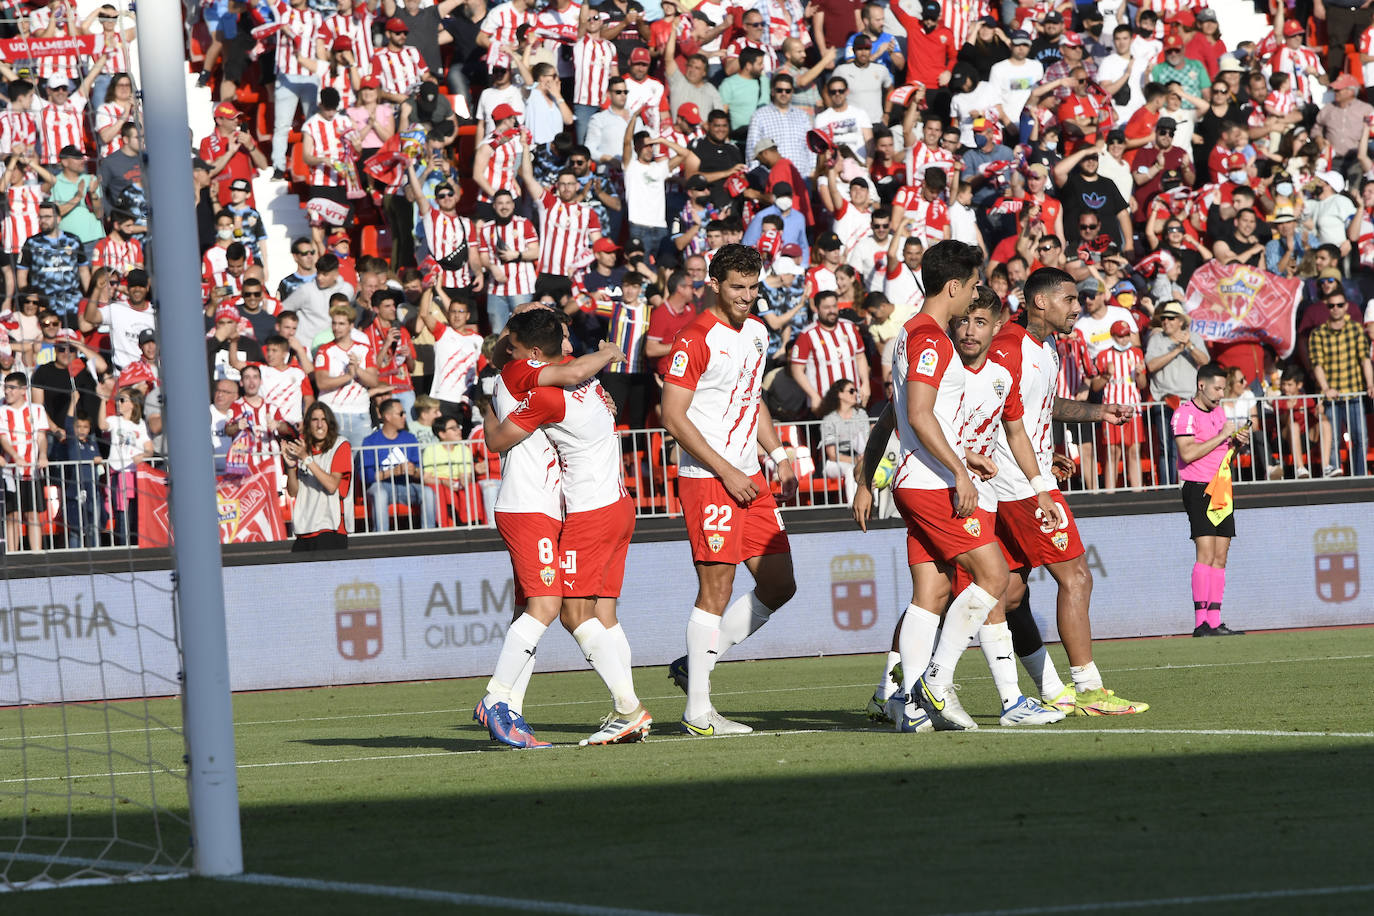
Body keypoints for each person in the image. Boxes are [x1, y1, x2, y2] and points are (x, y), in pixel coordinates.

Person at [856, 283, 1065, 729]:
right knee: (990, 585)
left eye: (981, 322)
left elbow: (1016, 433)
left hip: (974, 494)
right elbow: (893, 421)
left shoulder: (999, 377)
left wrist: (1040, 485)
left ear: (997, 328)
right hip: (939, 489)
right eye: (964, 319)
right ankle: (953, 690)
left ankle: (896, 697)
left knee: (938, 594)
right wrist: (865, 481)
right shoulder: (941, 365)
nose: (970, 330)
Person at [985, 267, 1149, 716]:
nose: (1078, 308)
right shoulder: (1008, 346)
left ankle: (912, 676)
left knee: (1008, 594)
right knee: (1076, 576)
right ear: (1041, 301)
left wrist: (1095, 414)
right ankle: (1087, 688)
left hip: (1027, 477)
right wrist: (1030, 471)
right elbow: (990, 408)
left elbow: (1038, 406)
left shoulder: (1049, 346)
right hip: (1019, 486)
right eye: (1071, 300)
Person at [482, 308, 649, 746]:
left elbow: (496, 438)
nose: (574, 348)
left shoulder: (554, 386)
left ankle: (622, 709)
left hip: (580, 510)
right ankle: (508, 706)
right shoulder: (576, 382)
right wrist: (609, 352)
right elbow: (570, 367)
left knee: (554, 610)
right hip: (594, 505)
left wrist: (487, 410)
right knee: (569, 611)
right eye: (567, 340)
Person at [660, 244, 797, 736]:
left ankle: (694, 663)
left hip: (750, 477)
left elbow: (750, 396)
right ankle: (698, 711)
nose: (747, 296)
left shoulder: (758, 333)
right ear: (714, 285)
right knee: (716, 589)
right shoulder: (694, 338)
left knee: (781, 583)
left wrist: (778, 455)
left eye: (753, 287)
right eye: (737, 287)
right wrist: (726, 471)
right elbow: (672, 417)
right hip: (709, 479)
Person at [1172, 363, 1248, 637]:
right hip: (1198, 487)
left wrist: (1236, 444)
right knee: (1204, 553)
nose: (1220, 394)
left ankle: (1215, 620)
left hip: (1222, 488)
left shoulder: (1219, 413)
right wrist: (1222, 436)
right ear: (1201, 385)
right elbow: (1188, 453)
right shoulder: (1184, 414)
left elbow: (1222, 455)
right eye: (1217, 388)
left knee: (1221, 555)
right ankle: (1199, 621)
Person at [1308, 290, 1374, 477]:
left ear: (1346, 307)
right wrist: (1326, 388)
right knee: (1333, 440)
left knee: (1361, 439)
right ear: (1327, 308)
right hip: (1332, 397)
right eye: (1331, 305)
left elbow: (1364, 360)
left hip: (1354, 395)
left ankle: (1360, 476)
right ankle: (1334, 475)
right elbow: (1317, 365)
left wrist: (1370, 384)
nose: (1335, 309)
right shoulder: (1318, 334)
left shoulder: (1356, 330)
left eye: (1339, 305)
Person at [1145, 301, 1209, 486]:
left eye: (1171, 318)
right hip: (1164, 401)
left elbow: (1205, 362)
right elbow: (1151, 366)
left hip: (1188, 403)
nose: (1165, 321)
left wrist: (1188, 345)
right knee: (1166, 448)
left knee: (1188, 446)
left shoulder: (1193, 337)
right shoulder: (1157, 339)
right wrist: (1178, 350)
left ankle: (1190, 485)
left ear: (1181, 321)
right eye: (1163, 318)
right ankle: (1168, 488)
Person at [283, 401, 353, 552]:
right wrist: (290, 466)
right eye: (315, 420)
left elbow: (332, 485)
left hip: (330, 529)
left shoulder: (341, 445)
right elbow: (294, 492)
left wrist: (307, 459)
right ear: (308, 424)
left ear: (330, 423)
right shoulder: (303, 448)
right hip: (305, 528)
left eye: (324, 420)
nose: (319, 425)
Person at [359, 397, 436, 532]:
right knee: (380, 494)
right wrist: (393, 471)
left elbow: (420, 471)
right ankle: (382, 537)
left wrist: (414, 471)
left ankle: (428, 534)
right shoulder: (370, 441)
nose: (405, 417)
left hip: (405, 486)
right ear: (387, 416)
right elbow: (366, 475)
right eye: (401, 413)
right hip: (381, 487)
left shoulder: (409, 438)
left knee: (428, 492)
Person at [313, 303, 378, 449]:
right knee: (335, 461)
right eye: (334, 323)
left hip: (360, 413)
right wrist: (348, 376)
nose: (336, 328)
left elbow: (373, 381)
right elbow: (322, 383)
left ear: (351, 326)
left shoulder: (364, 349)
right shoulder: (325, 350)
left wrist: (357, 370)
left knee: (361, 461)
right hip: (333, 412)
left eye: (341, 324)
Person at [1093, 320, 1146, 492]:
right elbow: (1095, 386)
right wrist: (1107, 375)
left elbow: (1143, 385)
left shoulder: (1137, 354)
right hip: (1112, 410)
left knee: (1134, 451)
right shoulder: (1103, 356)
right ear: (1113, 336)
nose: (1124, 339)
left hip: (1134, 410)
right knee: (1112, 453)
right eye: (1120, 336)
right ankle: (1110, 492)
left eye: (1126, 335)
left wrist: (1139, 374)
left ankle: (1137, 491)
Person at [97, 382, 152, 545]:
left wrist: (143, 455)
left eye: (122, 400)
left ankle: (136, 542)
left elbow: (149, 448)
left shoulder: (140, 424)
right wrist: (102, 400)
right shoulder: (115, 420)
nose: (119, 403)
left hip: (135, 472)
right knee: (122, 510)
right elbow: (102, 425)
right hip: (118, 471)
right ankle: (123, 543)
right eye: (118, 400)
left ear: (133, 404)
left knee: (136, 509)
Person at [0, 372, 50, 552]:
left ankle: (36, 553)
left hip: (32, 472)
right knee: (11, 515)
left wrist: (42, 455)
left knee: (33, 514)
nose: (7, 391)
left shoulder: (37, 409)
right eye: (5, 387)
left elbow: (41, 437)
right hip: (10, 473)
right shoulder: (2, 410)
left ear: (23, 390)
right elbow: (3, 438)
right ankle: (12, 554)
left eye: (11, 388)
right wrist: (15, 456)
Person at [818, 379, 868, 501]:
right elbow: (832, 454)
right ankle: (852, 506)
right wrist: (854, 460)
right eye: (851, 391)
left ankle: (874, 506)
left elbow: (866, 441)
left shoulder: (861, 414)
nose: (856, 394)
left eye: (856, 391)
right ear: (840, 394)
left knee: (869, 467)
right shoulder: (829, 419)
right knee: (850, 469)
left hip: (859, 456)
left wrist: (861, 458)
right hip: (835, 462)